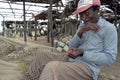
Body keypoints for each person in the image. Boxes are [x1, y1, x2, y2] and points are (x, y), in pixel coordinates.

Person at [25, 0, 118, 80]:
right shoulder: (82, 25)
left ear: (97, 10)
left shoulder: (109, 29)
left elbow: (110, 58)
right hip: (71, 59)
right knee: (41, 55)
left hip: (87, 67)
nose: (83, 18)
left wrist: (83, 53)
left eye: (86, 13)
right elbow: (71, 46)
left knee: (52, 68)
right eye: (81, 15)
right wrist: (80, 32)